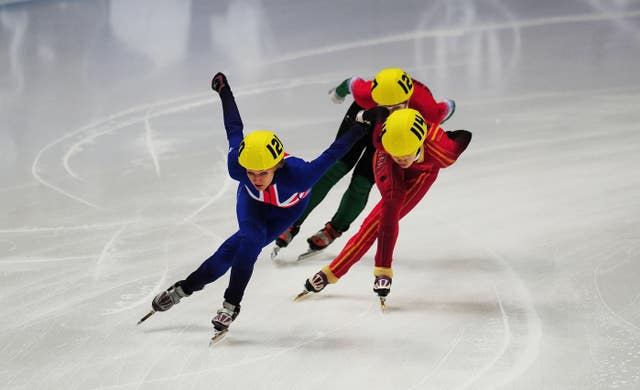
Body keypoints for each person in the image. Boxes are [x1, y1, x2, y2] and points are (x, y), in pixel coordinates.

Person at [143, 72, 388, 333]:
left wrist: (362, 126)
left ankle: (193, 293)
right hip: (252, 204)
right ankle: (218, 301)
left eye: (263, 173)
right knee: (245, 244)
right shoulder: (237, 167)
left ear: (278, 165)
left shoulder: (301, 176)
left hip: (288, 210)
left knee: (237, 249)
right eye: (251, 172)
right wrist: (224, 91)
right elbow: (234, 129)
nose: (257, 178)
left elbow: (334, 152)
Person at [296, 108, 472, 307]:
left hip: (423, 174)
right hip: (385, 161)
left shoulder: (444, 152)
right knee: (379, 218)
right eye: (398, 154)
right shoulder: (383, 140)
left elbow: (464, 135)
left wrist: (444, 135)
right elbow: (379, 113)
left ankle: (332, 273)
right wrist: (362, 116)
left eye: (406, 154)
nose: (402, 159)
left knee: (380, 219)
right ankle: (330, 273)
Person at [273, 68, 456, 257]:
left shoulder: (425, 107)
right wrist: (339, 92)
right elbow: (351, 83)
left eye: (395, 108)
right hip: (364, 117)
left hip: (394, 135)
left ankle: (333, 229)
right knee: (333, 169)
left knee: (361, 183)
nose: (388, 114)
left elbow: (447, 107)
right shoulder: (365, 93)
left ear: (408, 102)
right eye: (384, 107)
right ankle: (294, 220)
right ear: (376, 99)